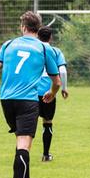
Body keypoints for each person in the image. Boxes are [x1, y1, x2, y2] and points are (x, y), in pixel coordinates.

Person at [0, 12, 60, 178]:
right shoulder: (44, 48)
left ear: (23, 27)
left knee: (21, 143)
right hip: (27, 100)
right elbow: (56, 80)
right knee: (24, 145)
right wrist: (52, 92)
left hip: (6, 100)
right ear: (38, 28)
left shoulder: (8, 44)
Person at [36, 26, 69, 162]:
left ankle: (22, 152)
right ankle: (45, 154)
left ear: (38, 37)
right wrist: (63, 88)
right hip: (48, 90)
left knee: (28, 122)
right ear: (51, 38)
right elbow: (63, 72)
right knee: (47, 122)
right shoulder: (55, 51)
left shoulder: (33, 49)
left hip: (31, 91)